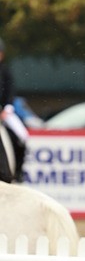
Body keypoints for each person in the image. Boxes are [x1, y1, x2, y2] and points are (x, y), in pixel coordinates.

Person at [0, 38, 28, 182]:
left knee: (22, 136)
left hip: (4, 111)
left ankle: (18, 172)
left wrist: (5, 110)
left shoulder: (6, 72)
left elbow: (10, 93)